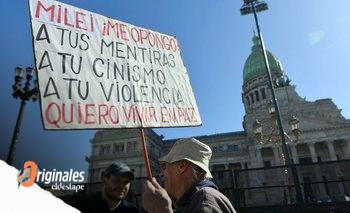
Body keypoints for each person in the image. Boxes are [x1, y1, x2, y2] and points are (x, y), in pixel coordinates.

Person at [143, 138, 236, 213]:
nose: (161, 173)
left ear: (181, 166)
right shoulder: (194, 201)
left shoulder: (204, 201)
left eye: (164, 166)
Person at [68, 162, 141, 213]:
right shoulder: (82, 206)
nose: (122, 186)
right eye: (117, 180)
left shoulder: (132, 211)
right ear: (104, 180)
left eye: (126, 182)